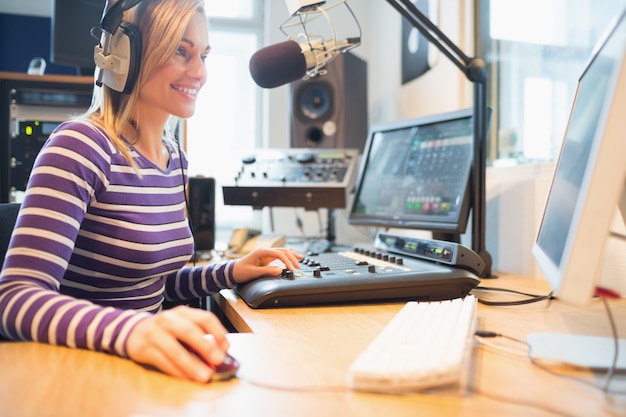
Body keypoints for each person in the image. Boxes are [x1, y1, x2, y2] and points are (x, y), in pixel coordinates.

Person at [0, 0, 301, 383]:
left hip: (144, 370)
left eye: (204, 55)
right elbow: (14, 299)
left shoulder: (174, 157)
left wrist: (230, 271)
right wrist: (131, 330)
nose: (200, 72)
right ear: (126, 55)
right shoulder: (80, 146)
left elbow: (152, 281)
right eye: (181, 51)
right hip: (82, 374)